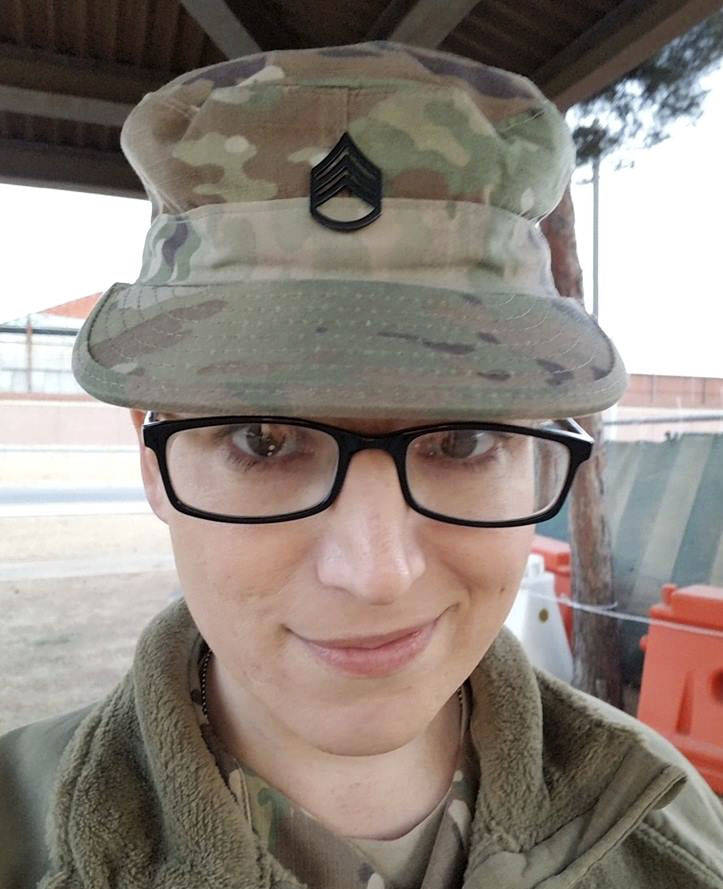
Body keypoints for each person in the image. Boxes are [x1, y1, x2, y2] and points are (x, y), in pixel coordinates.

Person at [1, 41, 721, 889]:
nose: (376, 573)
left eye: (462, 441)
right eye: (263, 440)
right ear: (152, 461)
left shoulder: (675, 835)